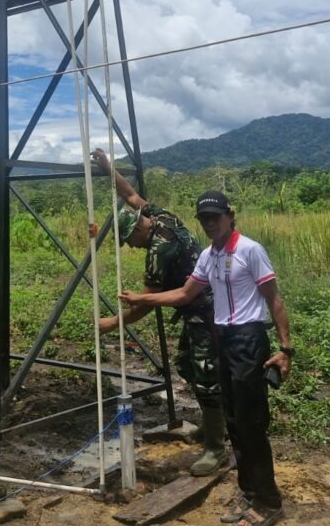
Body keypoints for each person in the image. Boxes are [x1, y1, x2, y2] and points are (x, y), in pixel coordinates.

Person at [119, 190, 292, 526]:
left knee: (252, 423)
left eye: (216, 217)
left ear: (230, 215)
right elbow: (185, 294)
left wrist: (285, 350)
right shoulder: (208, 256)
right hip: (223, 340)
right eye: (204, 219)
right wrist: (142, 298)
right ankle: (249, 493)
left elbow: (274, 299)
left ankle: (269, 503)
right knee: (235, 423)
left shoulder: (250, 249)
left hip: (248, 341)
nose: (210, 223)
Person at [91, 148, 227, 476]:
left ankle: (216, 447)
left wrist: (114, 323)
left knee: (206, 374)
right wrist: (109, 168)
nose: (130, 247)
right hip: (194, 306)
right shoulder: (162, 216)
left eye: (129, 240)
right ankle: (212, 427)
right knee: (186, 364)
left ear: (140, 230)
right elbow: (131, 194)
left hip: (206, 309)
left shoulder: (158, 250)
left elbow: (148, 303)